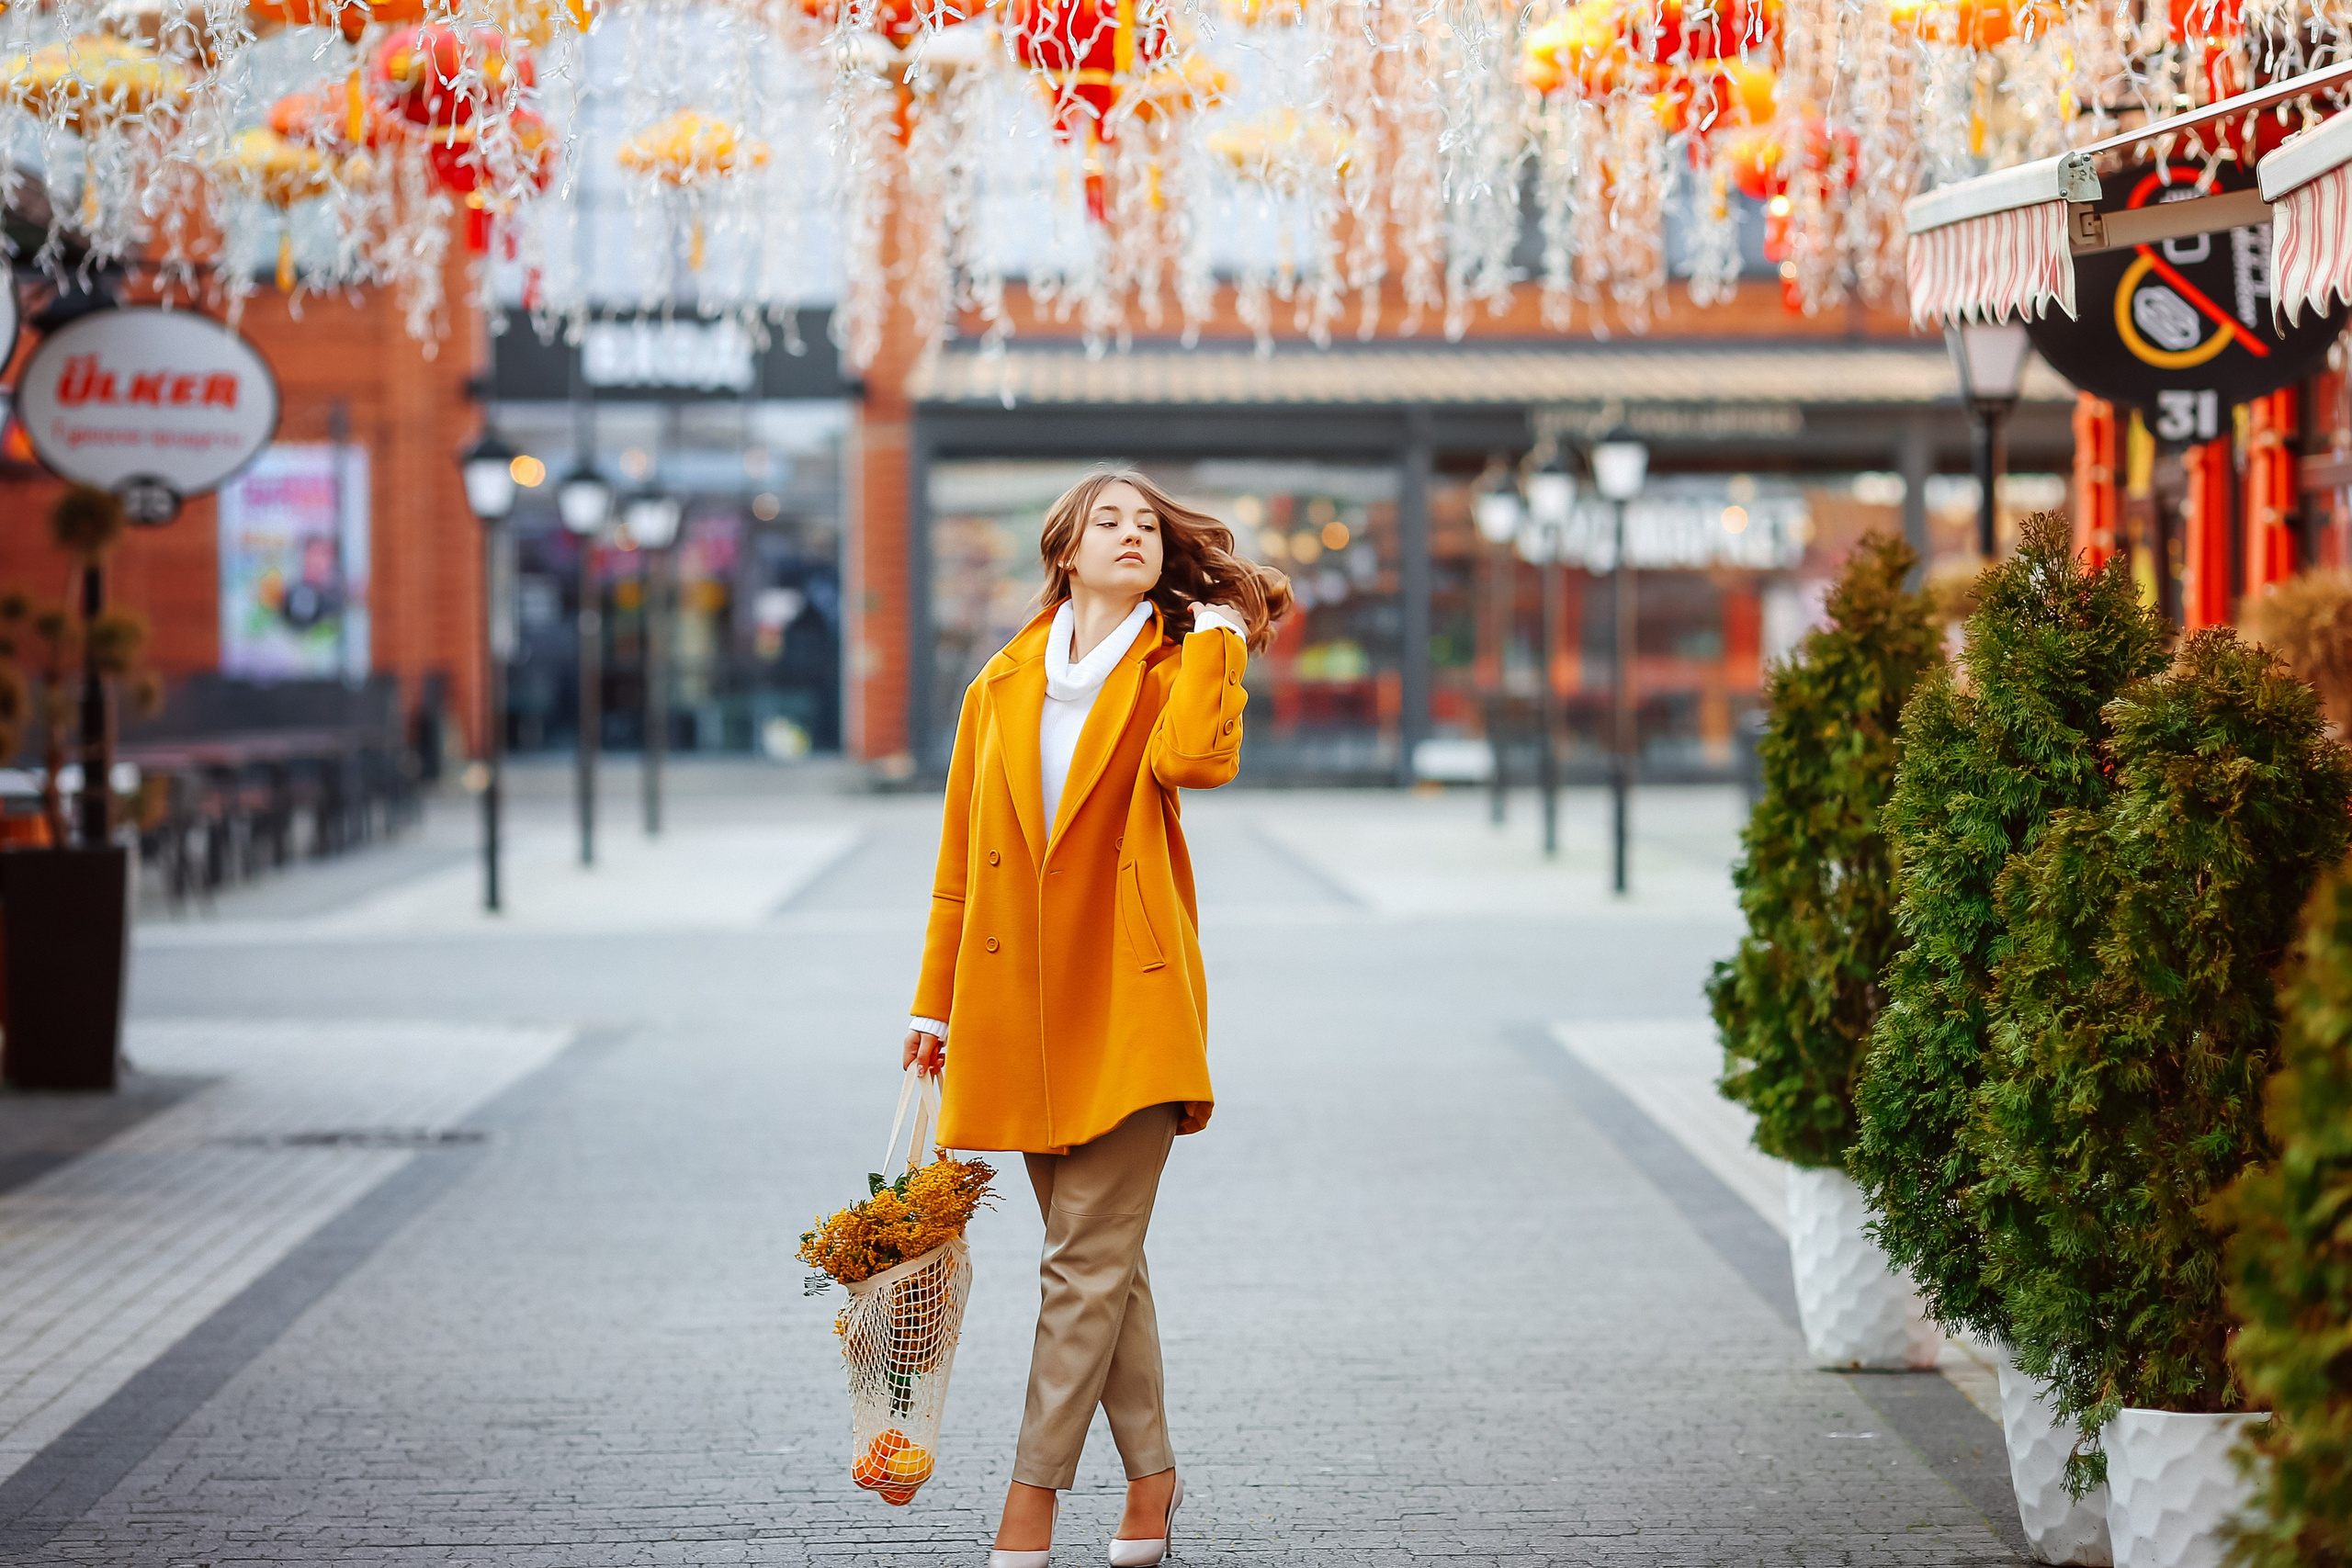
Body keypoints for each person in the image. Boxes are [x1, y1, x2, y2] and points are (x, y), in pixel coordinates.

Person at [901, 468, 1293, 1568]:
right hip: (1020, 1010)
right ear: (1064, 552)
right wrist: (934, 1004)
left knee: (1078, 1265)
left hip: (1129, 1002)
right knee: (1101, 1265)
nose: (1132, 534)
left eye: (1148, 525)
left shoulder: (1179, 663)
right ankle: (1154, 1482)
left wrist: (1220, 638)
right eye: (1107, 521)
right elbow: (956, 868)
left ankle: (1027, 1507)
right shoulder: (998, 684)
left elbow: (1194, 763)